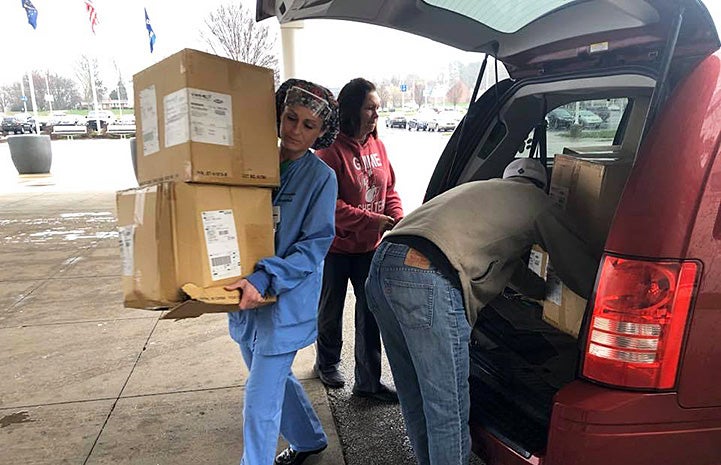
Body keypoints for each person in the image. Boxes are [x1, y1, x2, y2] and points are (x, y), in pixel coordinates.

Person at [364, 158, 599, 465]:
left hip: (383, 265)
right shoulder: (538, 202)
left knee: (415, 397)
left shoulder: (483, 193)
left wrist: (541, 294)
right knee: (448, 410)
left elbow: (512, 270)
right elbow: (577, 265)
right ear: (542, 185)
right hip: (427, 278)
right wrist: (602, 292)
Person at [224, 79, 339, 465]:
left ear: (321, 132)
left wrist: (266, 277)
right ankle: (308, 438)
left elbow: (313, 246)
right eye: (291, 118)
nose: (295, 130)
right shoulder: (254, 165)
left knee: (259, 403)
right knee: (273, 379)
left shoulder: (321, 178)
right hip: (245, 298)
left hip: (285, 301)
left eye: (309, 125)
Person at [314, 77, 404, 402]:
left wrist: (397, 218)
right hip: (336, 248)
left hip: (370, 249)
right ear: (353, 110)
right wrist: (373, 221)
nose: (376, 114)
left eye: (378, 108)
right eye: (370, 107)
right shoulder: (329, 150)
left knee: (371, 313)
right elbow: (330, 206)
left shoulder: (378, 146)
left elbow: (388, 190)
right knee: (331, 308)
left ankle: (368, 382)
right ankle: (327, 362)